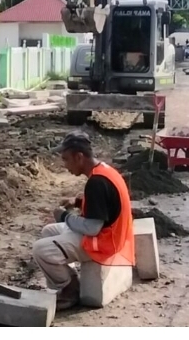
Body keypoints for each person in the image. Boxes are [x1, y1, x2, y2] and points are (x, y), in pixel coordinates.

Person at [31, 132, 135, 311]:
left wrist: (64, 217)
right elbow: (103, 206)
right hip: (111, 233)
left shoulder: (96, 182)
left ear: (79, 157)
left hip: (104, 241)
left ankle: (70, 290)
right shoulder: (104, 171)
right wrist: (78, 203)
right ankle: (70, 279)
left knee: (41, 249)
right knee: (49, 231)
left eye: (66, 159)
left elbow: (92, 228)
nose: (65, 165)